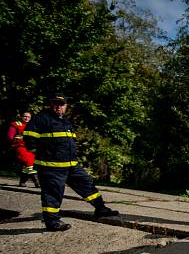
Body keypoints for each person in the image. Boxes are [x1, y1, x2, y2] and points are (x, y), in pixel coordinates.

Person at [23, 94, 118, 231]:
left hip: (71, 165)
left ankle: (101, 209)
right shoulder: (41, 118)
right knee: (53, 195)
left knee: (87, 185)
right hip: (51, 167)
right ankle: (52, 223)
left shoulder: (65, 121)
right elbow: (29, 140)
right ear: (50, 104)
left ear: (66, 106)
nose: (58, 107)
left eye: (61, 104)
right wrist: (46, 153)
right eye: (55, 103)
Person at [6, 111, 38, 187]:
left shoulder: (32, 125)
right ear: (21, 116)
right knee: (29, 162)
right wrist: (14, 144)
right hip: (19, 146)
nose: (27, 118)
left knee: (31, 164)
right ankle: (37, 182)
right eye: (25, 116)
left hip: (30, 147)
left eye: (29, 117)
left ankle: (22, 182)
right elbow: (9, 137)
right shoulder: (16, 124)